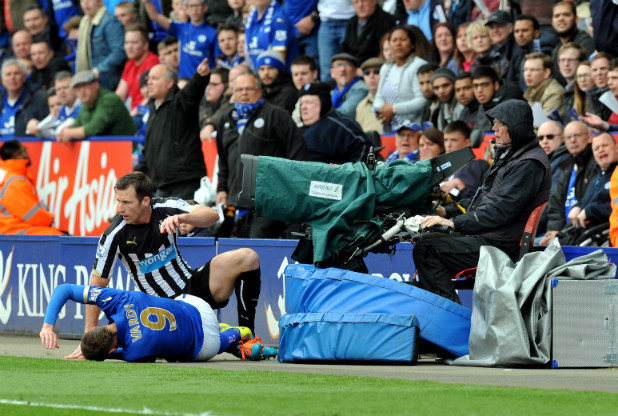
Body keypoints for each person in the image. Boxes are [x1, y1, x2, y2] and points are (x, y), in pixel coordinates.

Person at [62, 172, 264, 360]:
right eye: (118, 201)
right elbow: (97, 284)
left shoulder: (166, 207)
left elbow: (212, 215)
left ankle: (248, 337)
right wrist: (90, 331)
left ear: (145, 201)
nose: (120, 208)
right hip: (162, 307)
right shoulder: (114, 234)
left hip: (192, 287)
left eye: (126, 202)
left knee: (248, 258)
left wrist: (182, 217)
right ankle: (228, 339)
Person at [414, 100, 551, 304]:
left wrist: (453, 223)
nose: (493, 128)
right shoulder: (513, 156)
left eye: (499, 123)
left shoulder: (528, 163)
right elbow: (482, 198)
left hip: (500, 246)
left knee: (427, 250)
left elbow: (500, 211)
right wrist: (446, 212)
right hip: (489, 237)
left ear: (515, 127)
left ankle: (450, 321)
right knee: (426, 240)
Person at [41, 284, 277, 362]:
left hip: (206, 344)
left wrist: (92, 352)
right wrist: (47, 326)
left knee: (185, 351)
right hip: (197, 306)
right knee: (175, 302)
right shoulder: (118, 299)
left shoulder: (136, 351)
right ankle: (234, 334)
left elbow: (122, 352)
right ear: (96, 327)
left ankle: (236, 336)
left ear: (111, 349)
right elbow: (65, 289)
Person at [215, 72, 308, 238]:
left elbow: (298, 153)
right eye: (240, 89)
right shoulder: (226, 119)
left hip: (268, 201)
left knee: (257, 244)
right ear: (233, 93)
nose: (244, 93)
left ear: (259, 91)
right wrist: (222, 189)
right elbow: (223, 159)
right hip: (235, 202)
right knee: (236, 249)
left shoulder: (276, 115)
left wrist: (289, 190)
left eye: (249, 89)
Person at [137, 61, 209, 200]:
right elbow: (149, 151)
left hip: (184, 184)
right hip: (160, 187)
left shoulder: (180, 102)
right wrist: (136, 179)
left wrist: (201, 76)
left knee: (182, 222)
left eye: (155, 79)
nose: (149, 83)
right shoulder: (153, 111)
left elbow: (193, 91)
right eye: (148, 79)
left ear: (170, 83)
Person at [539, 121, 598, 245]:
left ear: (589, 137)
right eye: (568, 137)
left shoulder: (596, 163)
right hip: (565, 232)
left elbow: (593, 196)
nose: (572, 140)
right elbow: (555, 203)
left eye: (577, 135)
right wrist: (554, 229)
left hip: (585, 232)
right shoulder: (567, 166)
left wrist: (561, 234)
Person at [0, 140, 63, 235]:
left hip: (12, 228)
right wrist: (49, 218)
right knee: (59, 237)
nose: (27, 153)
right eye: (25, 150)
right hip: (13, 230)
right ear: (18, 155)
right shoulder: (15, 182)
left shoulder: (9, 176)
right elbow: (32, 214)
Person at [299, 82, 372, 164]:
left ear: (323, 104)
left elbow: (366, 148)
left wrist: (350, 174)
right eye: (301, 103)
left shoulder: (340, 126)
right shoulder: (297, 131)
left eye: (309, 102)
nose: (303, 107)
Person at [56, 70, 136, 144]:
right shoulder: (86, 105)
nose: (82, 90)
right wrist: (65, 131)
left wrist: (70, 133)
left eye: (85, 85)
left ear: (96, 85)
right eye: (78, 88)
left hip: (130, 152)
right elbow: (77, 125)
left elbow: (95, 128)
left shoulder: (109, 99)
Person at [144, 0, 218, 78]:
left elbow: (218, 61)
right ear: (186, 9)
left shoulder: (213, 33)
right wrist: (146, 1)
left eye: (198, 6)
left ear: (205, 7)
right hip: (183, 82)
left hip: (203, 83)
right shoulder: (181, 28)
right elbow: (155, 16)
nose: (194, 9)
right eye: (191, 6)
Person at [373, 26, 427, 131]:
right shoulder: (385, 68)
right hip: (389, 128)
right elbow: (379, 96)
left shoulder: (419, 66)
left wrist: (394, 109)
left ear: (412, 45)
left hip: (413, 129)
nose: (398, 44)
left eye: (403, 40)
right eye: (394, 40)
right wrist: (380, 111)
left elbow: (422, 100)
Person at [566, 133, 617, 231]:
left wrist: (591, 211)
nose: (601, 150)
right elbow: (585, 202)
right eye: (597, 148)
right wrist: (577, 206)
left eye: (605, 145)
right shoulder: (594, 180)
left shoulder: (616, 176)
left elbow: (615, 206)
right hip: (584, 233)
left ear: (617, 148)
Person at [76, 0, 126, 91]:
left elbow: (119, 52)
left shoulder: (110, 21)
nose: (85, 3)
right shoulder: (84, 22)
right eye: (82, 0)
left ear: (100, 1)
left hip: (110, 82)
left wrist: (98, 70)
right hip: (92, 82)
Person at [115, 23, 160, 111]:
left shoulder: (153, 62)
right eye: (127, 43)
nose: (129, 47)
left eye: (134, 42)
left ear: (145, 45)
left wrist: (131, 115)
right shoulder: (129, 64)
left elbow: (150, 97)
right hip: (131, 110)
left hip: (144, 111)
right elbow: (120, 95)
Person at [0, 59, 49, 138]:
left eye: (16, 73)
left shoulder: (39, 97)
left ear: (24, 77)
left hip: (29, 148)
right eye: (8, 74)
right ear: (2, 81)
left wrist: (39, 127)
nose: (12, 77)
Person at [439, 121, 488, 200]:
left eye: (454, 140)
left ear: (467, 142)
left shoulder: (474, 165)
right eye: (445, 140)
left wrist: (459, 185)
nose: (448, 145)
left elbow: (474, 200)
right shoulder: (442, 166)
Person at [244, 0, 298, 70]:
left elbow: (279, 58)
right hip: (258, 73)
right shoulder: (251, 18)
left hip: (277, 77)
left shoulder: (279, 17)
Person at [341, 0, 395, 66]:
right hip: (353, 67)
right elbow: (345, 48)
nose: (360, 5)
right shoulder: (352, 22)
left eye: (364, 1)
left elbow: (383, 52)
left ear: (374, 1)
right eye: (356, 2)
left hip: (374, 68)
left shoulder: (386, 21)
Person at [317, 0, 355, 82]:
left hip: (349, 20)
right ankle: (328, 94)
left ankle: (351, 93)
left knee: (349, 66)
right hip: (325, 21)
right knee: (327, 71)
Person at [522, 52, 565, 119]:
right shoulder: (533, 90)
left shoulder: (553, 93)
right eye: (525, 70)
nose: (527, 74)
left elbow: (547, 125)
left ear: (546, 73)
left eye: (533, 70)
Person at [329, 53, 368, 119]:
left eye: (348, 65)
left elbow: (346, 113)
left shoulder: (361, 89)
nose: (343, 69)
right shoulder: (332, 93)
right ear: (332, 73)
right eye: (339, 65)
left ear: (356, 71)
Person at [199, 67, 231, 141]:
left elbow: (221, 114)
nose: (208, 88)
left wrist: (210, 125)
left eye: (213, 84)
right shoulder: (205, 103)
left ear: (226, 86)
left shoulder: (229, 102)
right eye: (207, 84)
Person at [356, 57, 384, 134]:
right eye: (367, 73)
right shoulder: (360, 107)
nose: (371, 76)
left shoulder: (395, 102)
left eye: (376, 72)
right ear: (364, 78)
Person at [290, 55, 319, 127]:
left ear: (315, 74)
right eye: (296, 74)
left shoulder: (323, 95)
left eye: (303, 73)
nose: (299, 78)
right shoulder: (298, 96)